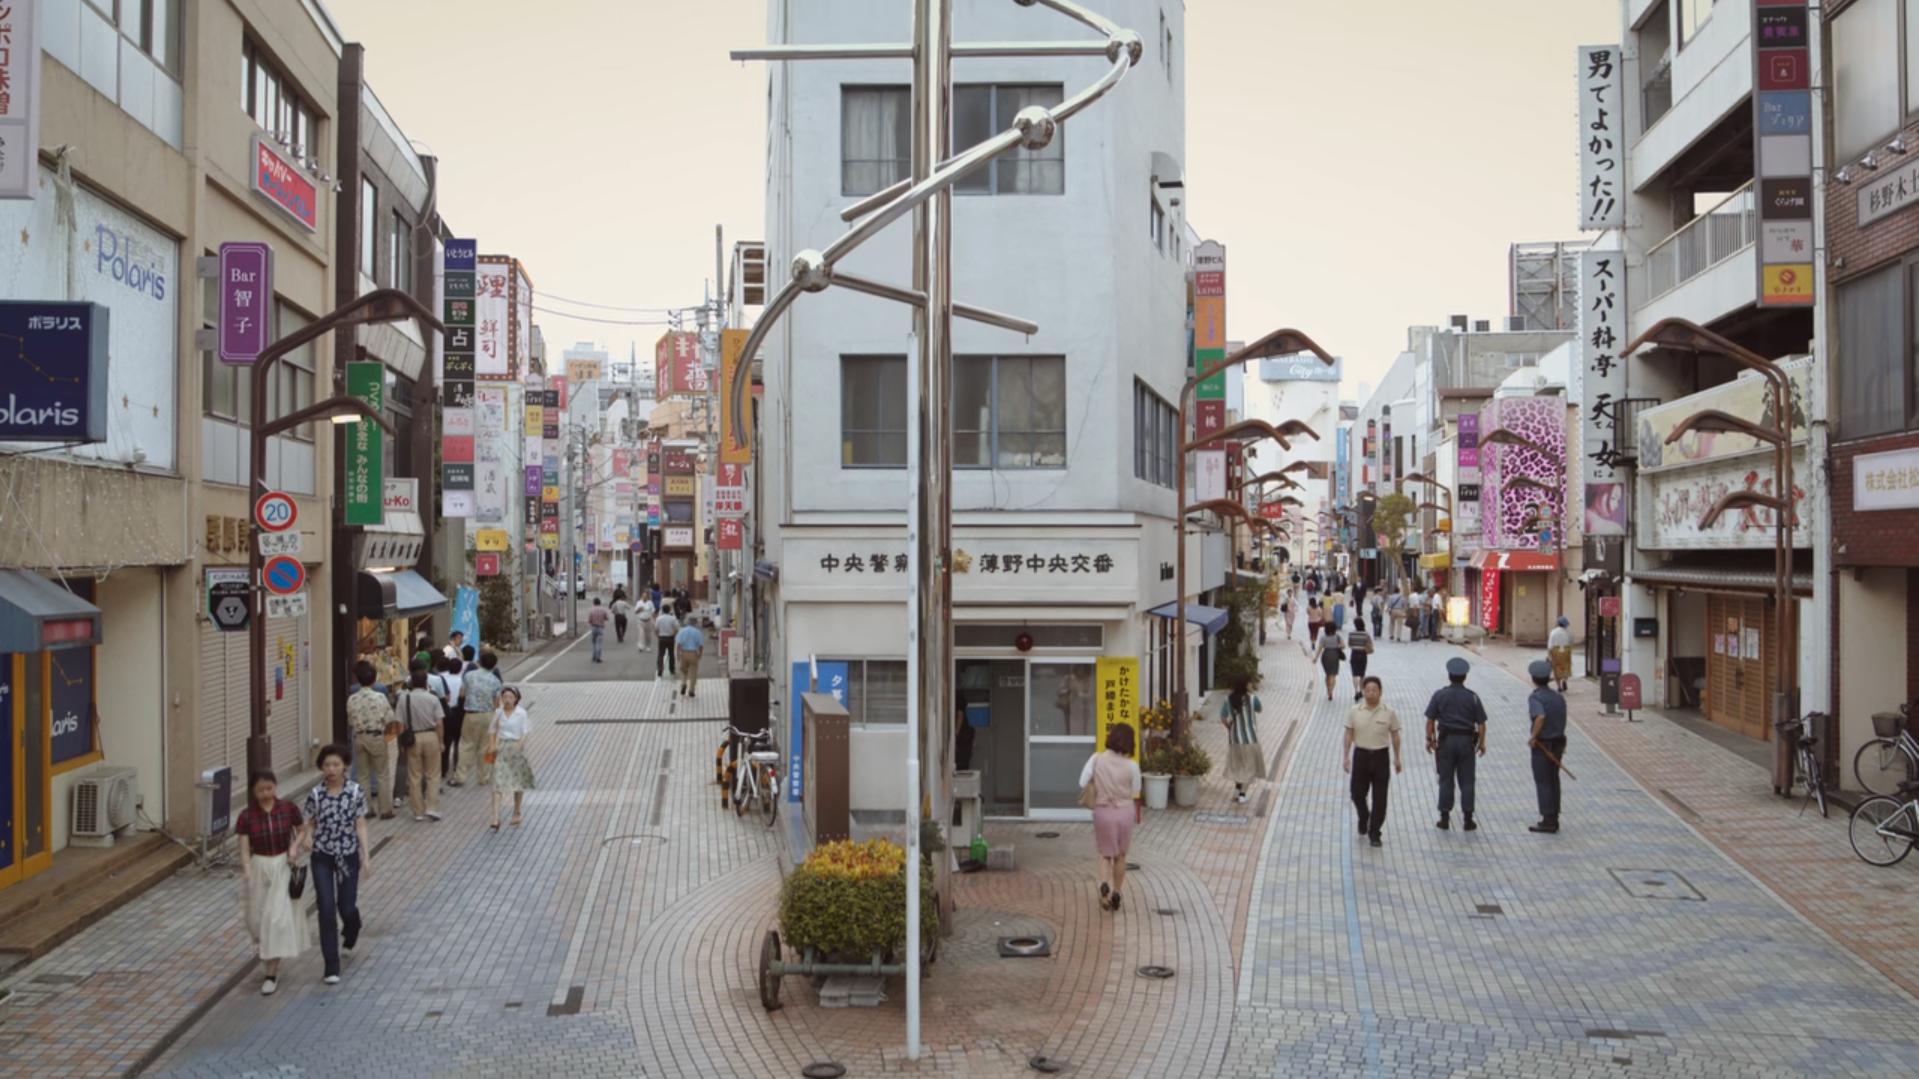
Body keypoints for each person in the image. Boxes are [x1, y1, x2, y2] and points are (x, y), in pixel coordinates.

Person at [301, 745, 370, 986]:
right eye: (327, 765)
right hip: (322, 855)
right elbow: (309, 821)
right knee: (326, 908)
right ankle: (331, 964)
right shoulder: (316, 793)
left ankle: (352, 928)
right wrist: (308, 836)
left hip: (348, 855)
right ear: (321, 767)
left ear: (344, 767)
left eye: (336, 765)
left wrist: (366, 855)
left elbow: (360, 824)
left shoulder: (354, 792)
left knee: (346, 906)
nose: (331, 770)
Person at [233, 769, 308, 995]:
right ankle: (273, 955)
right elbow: (244, 849)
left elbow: (302, 829)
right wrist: (247, 870)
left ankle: (271, 973)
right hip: (259, 866)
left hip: (282, 865)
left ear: (276, 787)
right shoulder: (246, 816)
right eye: (260, 790)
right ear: (253, 792)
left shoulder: (287, 808)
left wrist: (294, 847)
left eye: (269, 788)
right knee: (256, 920)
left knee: (276, 919)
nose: (266, 794)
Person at [1078, 725, 1141, 911]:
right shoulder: (1132, 765)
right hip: (1124, 812)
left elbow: (1082, 782)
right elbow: (1136, 789)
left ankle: (1104, 884)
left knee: (1105, 853)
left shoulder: (1096, 759)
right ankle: (1117, 892)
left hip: (1103, 811)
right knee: (1120, 855)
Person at [1424, 657, 1488, 831]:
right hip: (1467, 742)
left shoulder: (1440, 695)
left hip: (1446, 741)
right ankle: (1468, 819)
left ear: (1449, 676)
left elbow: (1430, 720)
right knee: (1467, 781)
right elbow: (1481, 724)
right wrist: (1481, 743)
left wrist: (1429, 739)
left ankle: (1444, 817)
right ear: (1465, 677)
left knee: (1446, 779)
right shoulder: (1473, 698)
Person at [1342, 676, 1402, 848]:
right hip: (1360, 756)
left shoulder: (1389, 712)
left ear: (1380, 692)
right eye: (1367, 690)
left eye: (1374, 690)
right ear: (1363, 691)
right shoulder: (1355, 711)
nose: (1370, 693)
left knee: (1380, 798)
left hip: (1381, 757)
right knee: (1356, 793)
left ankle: (1375, 832)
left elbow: (1395, 736)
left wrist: (1397, 758)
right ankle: (1363, 816)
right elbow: (1348, 734)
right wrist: (1346, 757)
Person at [345, 661, 397, 820]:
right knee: (382, 774)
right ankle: (385, 809)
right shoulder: (380, 697)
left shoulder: (352, 699)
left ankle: (366, 809)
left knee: (363, 775)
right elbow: (389, 719)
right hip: (376, 736)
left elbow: (350, 720)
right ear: (374, 680)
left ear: (358, 679)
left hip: (359, 737)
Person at [396, 664, 445, 821]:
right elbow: (439, 723)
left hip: (412, 738)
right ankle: (432, 807)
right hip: (431, 736)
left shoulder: (403, 699)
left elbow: (400, 725)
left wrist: (400, 744)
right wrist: (441, 741)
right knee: (433, 774)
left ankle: (418, 811)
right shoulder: (433, 698)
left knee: (414, 775)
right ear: (426, 683)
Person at [1526, 659, 1569, 834]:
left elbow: (1540, 717)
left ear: (1534, 679)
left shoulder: (1536, 697)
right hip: (1559, 742)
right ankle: (1554, 816)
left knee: (1543, 781)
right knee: (1554, 780)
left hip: (1544, 744)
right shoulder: (1558, 697)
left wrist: (1533, 737)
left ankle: (1547, 819)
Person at [488, 686, 536, 829]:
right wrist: (492, 745)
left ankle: (516, 811)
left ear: (516, 699)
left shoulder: (521, 713)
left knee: (517, 782)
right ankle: (496, 817)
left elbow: (525, 731)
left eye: (510, 697)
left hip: (515, 748)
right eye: (505, 697)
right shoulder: (498, 713)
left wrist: (520, 744)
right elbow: (492, 730)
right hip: (502, 747)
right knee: (497, 782)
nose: (507, 700)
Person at [459, 651, 503, 787]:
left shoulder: (469, 676)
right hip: (488, 715)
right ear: (494, 665)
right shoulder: (496, 681)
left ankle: (460, 776)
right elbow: (497, 703)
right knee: (486, 747)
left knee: (466, 745)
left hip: (471, 714)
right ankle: (483, 777)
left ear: (480, 662)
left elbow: (461, 694)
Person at [1219, 678, 1263, 804]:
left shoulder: (1228, 699)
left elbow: (1222, 718)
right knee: (1249, 768)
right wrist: (1252, 692)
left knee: (1239, 767)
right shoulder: (1252, 698)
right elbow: (1260, 709)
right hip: (1250, 739)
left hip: (1235, 739)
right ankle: (1242, 795)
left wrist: (1230, 728)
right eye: (1249, 683)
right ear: (1246, 685)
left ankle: (1236, 793)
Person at [431, 655, 465, 787]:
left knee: (445, 740)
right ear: (460, 668)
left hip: (444, 712)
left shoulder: (442, 678)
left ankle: (443, 768)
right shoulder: (462, 680)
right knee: (458, 741)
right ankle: (456, 766)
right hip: (458, 712)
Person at [1311, 625, 1346, 702]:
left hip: (1326, 655)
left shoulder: (1323, 637)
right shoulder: (1337, 637)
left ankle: (1328, 689)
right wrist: (1337, 646)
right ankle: (1331, 690)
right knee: (1333, 674)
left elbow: (1319, 648)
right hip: (1335, 655)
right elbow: (1343, 646)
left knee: (1327, 674)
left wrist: (1315, 658)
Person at [676, 617, 707, 698]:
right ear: (695, 623)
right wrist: (700, 654)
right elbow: (701, 645)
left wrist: (678, 654)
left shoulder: (682, 631)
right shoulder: (698, 632)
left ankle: (683, 683)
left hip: (684, 653)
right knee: (693, 673)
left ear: (688, 622)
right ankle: (691, 690)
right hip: (694, 653)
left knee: (683, 670)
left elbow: (678, 644)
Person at [1346, 616, 1375, 701]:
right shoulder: (1366, 634)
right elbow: (1370, 644)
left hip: (1354, 654)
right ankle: (1361, 691)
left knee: (1355, 674)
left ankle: (1355, 691)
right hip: (1363, 654)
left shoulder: (1351, 634)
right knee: (1362, 674)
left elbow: (1349, 644)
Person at [1547, 615, 1574, 692]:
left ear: (1558, 623)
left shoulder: (1553, 632)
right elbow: (1571, 642)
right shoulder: (1568, 632)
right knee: (1566, 667)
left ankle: (1559, 686)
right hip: (1566, 651)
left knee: (1556, 669)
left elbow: (1550, 644)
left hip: (1555, 651)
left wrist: (1549, 654)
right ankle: (1564, 681)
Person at [654, 605, 681, 678]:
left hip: (661, 637)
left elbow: (656, 629)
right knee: (671, 654)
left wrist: (658, 636)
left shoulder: (659, 618)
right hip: (670, 638)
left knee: (660, 654)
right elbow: (677, 628)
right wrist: (673, 635)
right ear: (669, 610)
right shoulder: (673, 618)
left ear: (662, 610)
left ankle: (660, 670)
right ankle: (671, 669)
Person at [586, 598, 610, 663]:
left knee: (593, 643)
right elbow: (607, 618)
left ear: (594, 603)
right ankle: (598, 657)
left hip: (593, 627)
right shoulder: (603, 610)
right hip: (600, 627)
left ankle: (594, 656)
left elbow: (589, 620)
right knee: (599, 643)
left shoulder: (591, 610)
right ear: (600, 603)